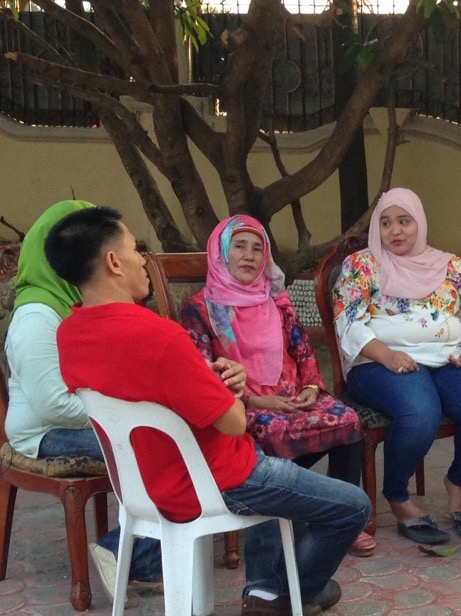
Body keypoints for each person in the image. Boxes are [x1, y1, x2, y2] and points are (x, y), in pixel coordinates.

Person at [44, 206, 371, 616]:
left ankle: (266, 590)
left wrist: (208, 377)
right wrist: (225, 388)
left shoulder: (69, 334)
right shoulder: (162, 336)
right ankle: (293, 593)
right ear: (113, 262)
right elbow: (234, 423)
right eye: (134, 249)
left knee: (279, 470)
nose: (143, 259)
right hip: (217, 478)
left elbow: (146, 384)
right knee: (353, 505)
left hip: (144, 484)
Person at [181, 214, 375, 557]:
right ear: (221, 253)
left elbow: (304, 352)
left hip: (292, 397)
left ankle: (342, 516)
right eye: (239, 246)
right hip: (241, 408)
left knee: (348, 420)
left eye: (258, 248)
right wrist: (256, 403)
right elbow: (202, 378)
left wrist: (312, 389)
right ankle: (287, 513)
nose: (249, 256)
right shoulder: (201, 310)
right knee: (269, 432)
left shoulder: (276, 300)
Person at [3, 199, 163, 602]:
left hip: (82, 420)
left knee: (168, 441)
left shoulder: (80, 305)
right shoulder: (36, 317)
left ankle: (142, 557)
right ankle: (121, 551)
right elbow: (54, 406)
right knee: (159, 446)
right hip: (45, 434)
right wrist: (124, 416)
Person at [332, 187, 461, 545]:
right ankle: (398, 496)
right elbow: (347, 321)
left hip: (446, 357)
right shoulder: (362, 265)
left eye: (404, 221)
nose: (395, 231)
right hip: (378, 361)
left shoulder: (448, 264)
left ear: (419, 223)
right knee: (420, 411)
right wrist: (387, 355)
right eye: (386, 223)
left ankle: (458, 484)